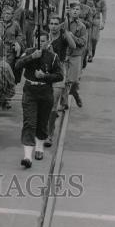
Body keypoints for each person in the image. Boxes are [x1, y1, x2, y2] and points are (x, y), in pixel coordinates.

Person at [15, 30, 64, 167]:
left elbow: (60, 75)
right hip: (30, 91)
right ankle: (27, 156)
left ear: (47, 42)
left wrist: (45, 76)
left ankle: (39, 146)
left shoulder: (53, 57)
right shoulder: (29, 52)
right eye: (38, 41)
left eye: (43, 41)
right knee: (29, 122)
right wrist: (31, 57)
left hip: (45, 91)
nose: (40, 43)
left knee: (42, 121)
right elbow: (18, 65)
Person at [43, 15, 76, 147]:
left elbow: (73, 46)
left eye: (56, 23)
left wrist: (66, 31)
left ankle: (49, 134)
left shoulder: (63, 37)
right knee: (44, 104)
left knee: (53, 105)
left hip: (59, 71)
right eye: (51, 23)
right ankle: (42, 129)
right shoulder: (44, 37)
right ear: (48, 25)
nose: (54, 26)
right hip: (45, 72)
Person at [65, 1, 87, 108]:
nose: (75, 11)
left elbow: (83, 42)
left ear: (80, 12)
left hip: (75, 55)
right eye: (73, 9)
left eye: (77, 9)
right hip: (64, 54)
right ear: (69, 11)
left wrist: (72, 37)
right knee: (63, 80)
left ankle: (75, 94)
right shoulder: (63, 23)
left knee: (73, 81)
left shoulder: (81, 27)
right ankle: (63, 102)